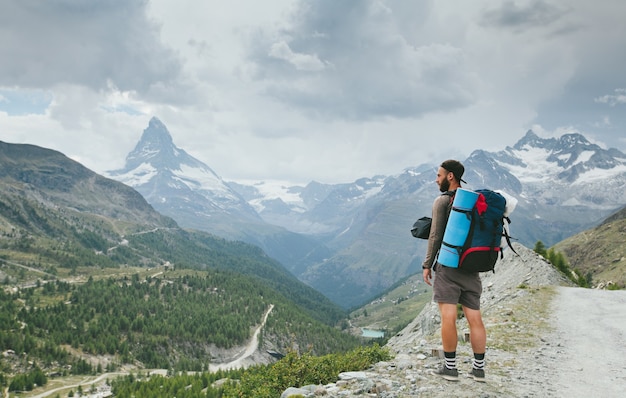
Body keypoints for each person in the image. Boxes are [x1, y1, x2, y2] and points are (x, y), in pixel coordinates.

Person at [422, 159, 486, 382]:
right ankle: (479, 370)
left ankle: (450, 368)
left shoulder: (442, 201)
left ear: (450, 176)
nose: (436, 179)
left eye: (439, 175)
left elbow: (435, 236)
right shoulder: (473, 202)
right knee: (475, 319)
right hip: (472, 268)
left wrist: (427, 264)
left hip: (449, 268)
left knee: (448, 317)